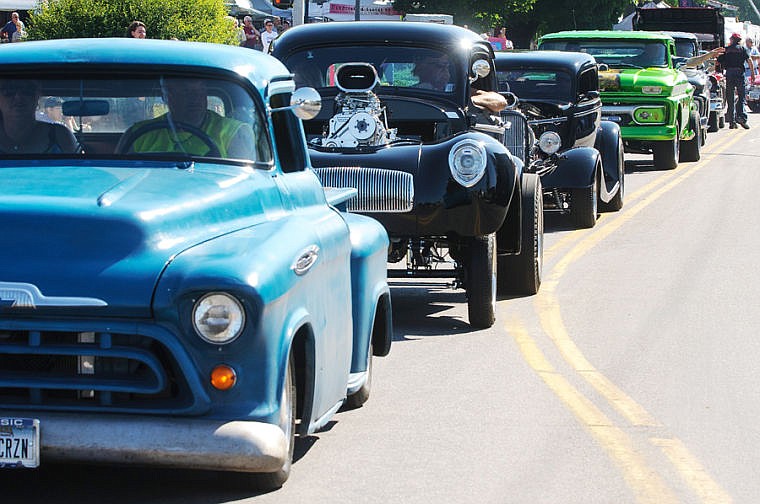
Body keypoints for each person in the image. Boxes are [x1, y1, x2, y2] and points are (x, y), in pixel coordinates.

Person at [117, 78, 255, 159]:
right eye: (185, 92)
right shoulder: (138, 134)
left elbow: (245, 184)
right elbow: (119, 177)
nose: (195, 99)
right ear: (167, 96)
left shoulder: (233, 132)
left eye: (200, 91)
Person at [0, 80, 80, 154]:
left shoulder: (61, 136)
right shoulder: (59, 136)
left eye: (27, 90)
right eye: (9, 90)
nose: (18, 97)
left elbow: (79, 167)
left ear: (37, 96)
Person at [717, 32, 755, 129]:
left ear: (732, 40)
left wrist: (717, 71)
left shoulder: (727, 49)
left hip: (729, 74)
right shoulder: (743, 49)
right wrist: (752, 74)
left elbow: (717, 61)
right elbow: (749, 61)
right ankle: (741, 117)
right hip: (739, 74)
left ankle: (731, 121)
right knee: (741, 96)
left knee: (730, 97)